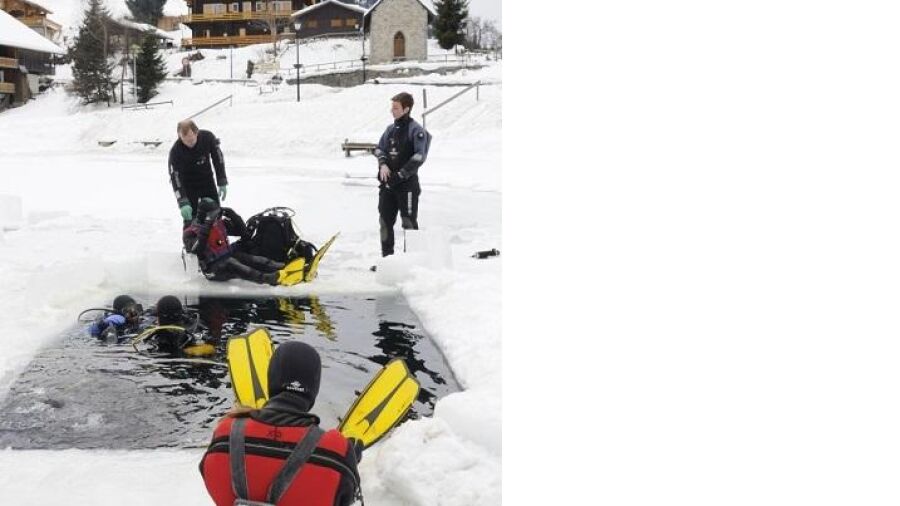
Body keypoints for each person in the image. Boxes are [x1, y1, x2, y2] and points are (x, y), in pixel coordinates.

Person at [200, 341, 362, 506]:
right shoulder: (337, 451)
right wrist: (348, 461)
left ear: (271, 379)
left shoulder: (225, 434)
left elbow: (209, 475)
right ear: (314, 386)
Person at [374, 92, 431, 258]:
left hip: (407, 186)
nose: (392, 110)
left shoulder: (417, 130)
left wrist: (401, 175)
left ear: (406, 109)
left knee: (408, 223)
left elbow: (420, 156)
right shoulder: (390, 130)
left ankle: (411, 261)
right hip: (388, 185)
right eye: (392, 107)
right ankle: (387, 260)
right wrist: (383, 164)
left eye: (396, 108)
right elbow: (379, 149)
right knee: (384, 223)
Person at [183, 198, 286, 285]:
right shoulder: (191, 232)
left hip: (227, 256)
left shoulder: (219, 224)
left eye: (217, 212)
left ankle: (275, 266)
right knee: (232, 263)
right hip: (212, 270)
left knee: (248, 258)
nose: (216, 216)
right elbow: (196, 250)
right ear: (204, 215)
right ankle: (266, 278)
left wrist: (233, 215)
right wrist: (207, 225)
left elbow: (243, 233)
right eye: (213, 214)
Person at [168, 120, 229, 225]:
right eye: (185, 141)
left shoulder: (207, 137)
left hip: (207, 181)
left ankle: (217, 239)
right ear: (180, 136)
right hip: (188, 185)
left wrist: (222, 180)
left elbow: (218, 159)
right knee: (191, 219)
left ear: (197, 133)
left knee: (215, 214)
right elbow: (175, 177)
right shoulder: (175, 151)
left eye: (192, 140)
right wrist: (182, 201)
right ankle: (193, 239)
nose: (189, 144)